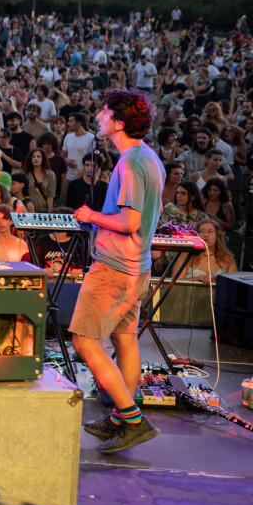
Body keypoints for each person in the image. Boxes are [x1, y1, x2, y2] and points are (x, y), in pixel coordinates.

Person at [73, 88, 165, 454]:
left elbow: (129, 221)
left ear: (119, 122)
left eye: (105, 112)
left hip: (114, 268)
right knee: (124, 339)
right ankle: (119, 419)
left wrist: (90, 216)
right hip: (136, 269)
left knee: (84, 340)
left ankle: (132, 417)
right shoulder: (149, 158)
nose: (98, 116)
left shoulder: (130, 163)